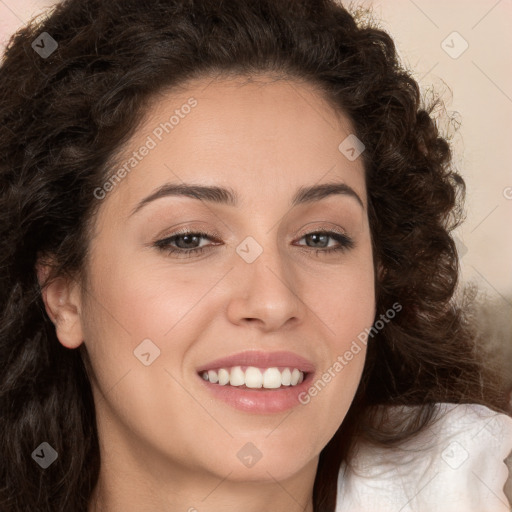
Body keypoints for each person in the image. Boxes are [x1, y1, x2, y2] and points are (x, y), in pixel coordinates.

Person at [0, 0, 510, 511]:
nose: (272, 301)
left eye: (321, 238)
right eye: (189, 239)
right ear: (64, 292)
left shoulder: (472, 483)